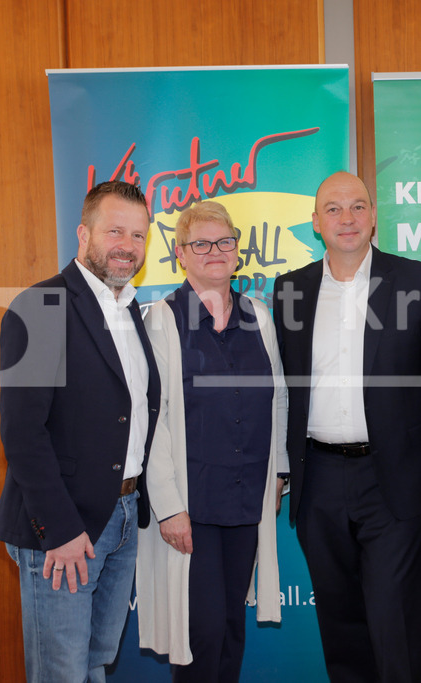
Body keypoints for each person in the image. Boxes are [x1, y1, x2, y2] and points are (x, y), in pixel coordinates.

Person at [272, 171, 421, 682]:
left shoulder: (418, 281)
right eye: (333, 209)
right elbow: (283, 387)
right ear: (316, 222)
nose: (347, 218)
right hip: (318, 480)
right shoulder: (291, 289)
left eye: (358, 206)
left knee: (393, 622)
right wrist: (279, 467)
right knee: (341, 626)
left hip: (396, 480)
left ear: (374, 216)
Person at [0, 180, 160, 682]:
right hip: (66, 527)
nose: (127, 245)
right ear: (83, 234)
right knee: (61, 672)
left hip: (123, 515)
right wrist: (60, 531)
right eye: (115, 231)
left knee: (95, 664)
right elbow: (23, 433)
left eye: (138, 234)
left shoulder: (130, 310)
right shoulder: (42, 305)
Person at [135, 201, 288, 681]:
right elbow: (153, 420)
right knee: (200, 633)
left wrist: (279, 473)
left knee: (230, 627)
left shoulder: (259, 316)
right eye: (200, 243)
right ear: (180, 254)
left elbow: (279, 397)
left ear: (237, 249)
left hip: (247, 499)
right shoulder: (160, 320)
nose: (214, 251)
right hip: (191, 505)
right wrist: (168, 507)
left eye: (224, 241)